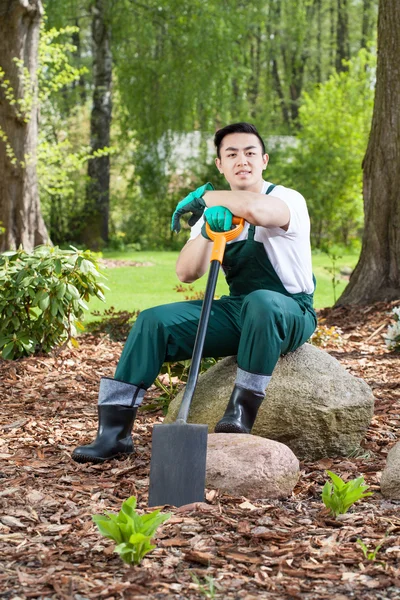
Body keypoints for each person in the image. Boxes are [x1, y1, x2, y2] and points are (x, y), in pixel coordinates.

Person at [72, 122, 317, 464]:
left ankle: (239, 415)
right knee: (152, 322)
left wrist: (203, 199)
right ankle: (114, 433)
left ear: (264, 160)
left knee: (263, 302)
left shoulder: (287, 198)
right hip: (239, 310)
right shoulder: (214, 211)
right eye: (231, 154)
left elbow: (256, 209)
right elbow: (187, 272)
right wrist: (205, 230)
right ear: (220, 164)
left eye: (249, 153)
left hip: (290, 310)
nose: (241, 160)